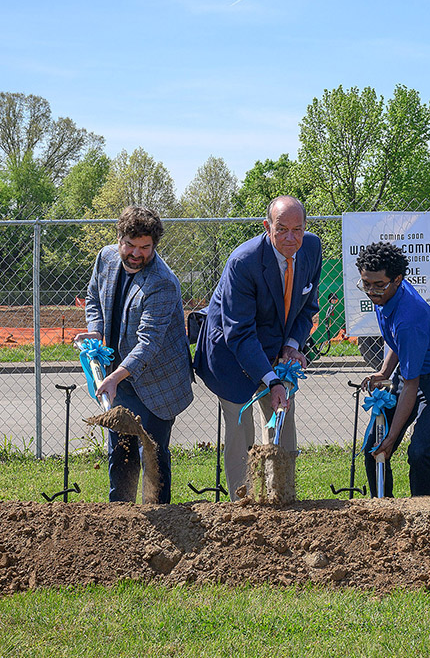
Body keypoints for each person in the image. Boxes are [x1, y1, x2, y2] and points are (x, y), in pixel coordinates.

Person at [193, 196, 321, 499]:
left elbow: (307, 307)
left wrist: (291, 346)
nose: (291, 238)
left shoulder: (312, 248)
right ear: (267, 227)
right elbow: (239, 333)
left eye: (297, 230)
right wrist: (271, 380)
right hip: (230, 351)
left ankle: (281, 495)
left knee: (282, 417)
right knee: (241, 430)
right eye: (282, 230)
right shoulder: (243, 262)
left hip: (275, 347)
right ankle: (244, 502)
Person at [77, 206, 193, 503]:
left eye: (145, 247)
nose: (137, 253)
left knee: (152, 454)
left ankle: (160, 516)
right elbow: (93, 298)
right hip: (119, 376)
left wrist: (114, 377)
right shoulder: (105, 258)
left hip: (157, 383)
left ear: (154, 245)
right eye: (130, 245)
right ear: (120, 239)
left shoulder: (162, 282)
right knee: (120, 451)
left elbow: (149, 343)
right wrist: (97, 330)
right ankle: (122, 515)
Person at [357, 241, 430, 497]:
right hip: (412, 372)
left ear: (397, 280)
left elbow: (411, 384)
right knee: (373, 447)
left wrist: (392, 438)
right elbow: (397, 342)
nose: (371, 291)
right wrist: (384, 372)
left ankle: (423, 513)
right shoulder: (388, 293)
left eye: (378, 285)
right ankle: (383, 509)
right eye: (366, 283)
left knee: (418, 451)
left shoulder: (409, 320)